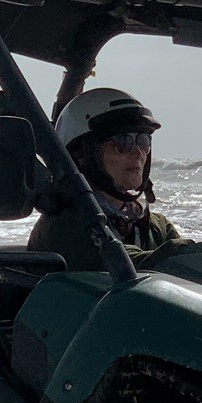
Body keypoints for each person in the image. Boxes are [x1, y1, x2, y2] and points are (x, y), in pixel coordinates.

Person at [27, 88, 182, 271]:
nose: (137, 153)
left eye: (143, 141)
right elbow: (126, 267)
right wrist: (195, 254)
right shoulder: (65, 226)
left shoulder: (156, 227)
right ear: (83, 154)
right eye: (122, 142)